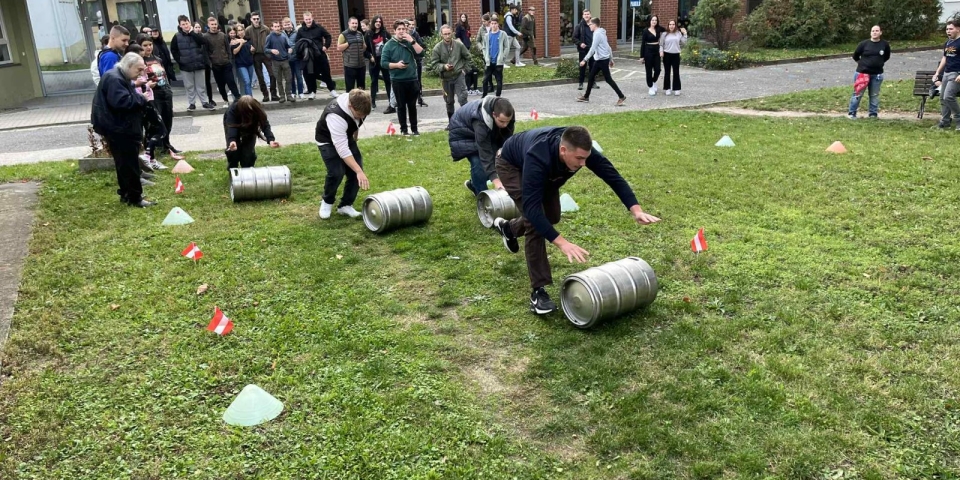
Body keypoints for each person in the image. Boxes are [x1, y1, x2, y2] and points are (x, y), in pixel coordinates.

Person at [491, 126, 661, 314]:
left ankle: (510, 229)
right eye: (579, 159)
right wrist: (562, 243)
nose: (583, 164)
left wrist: (636, 210)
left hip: (546, 173)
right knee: (535, 223)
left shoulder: (583, 151)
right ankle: (538, 292)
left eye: (586, 158)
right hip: (511, 165)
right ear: (563, 150)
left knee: (552, 216)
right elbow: (531, 208)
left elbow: (612, 176)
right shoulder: (538, 155)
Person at [91, 52, 155, 207]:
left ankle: (126, 193)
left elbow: (123, 93)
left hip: (115, 126)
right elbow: (122, 102)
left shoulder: (117, 76)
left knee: (123, 163)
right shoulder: (115, 78)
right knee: (129, 163)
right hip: (120, 128)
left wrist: (135, 86)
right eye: (139, 70)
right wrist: (143, 98)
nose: (141, 73)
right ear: (128, 65)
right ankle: (135, 197)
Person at [316, 89, 373, 219]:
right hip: (327, 141)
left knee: (355, 172)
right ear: (349, 106)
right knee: (336, 172)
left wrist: (354, 137)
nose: (361, 117)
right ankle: (327, 201)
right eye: (358, 114)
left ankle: (345, 205)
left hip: (346, 137)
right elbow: (342, 149)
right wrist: (359, 171)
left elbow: (356, 123)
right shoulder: (335, 115)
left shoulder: (362, 104)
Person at [448, 96, 514, 196]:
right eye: (501, 121)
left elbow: (507, 139)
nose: (505, 125)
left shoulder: (507, 114)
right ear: (493, 115)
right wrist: (497, 182)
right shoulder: (479, 122)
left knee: (497, 157)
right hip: (464, 134)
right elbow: (485, 153)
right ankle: (483, 197)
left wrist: (502, 149)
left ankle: (474, 183)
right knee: (479, 162)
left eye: (507, 122)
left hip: (483, 132)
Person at [139, 35, 183, 161]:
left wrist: (168, 89)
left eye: (150, 45)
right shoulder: (140, 61)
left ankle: (166, 145)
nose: (148, 48)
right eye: (145, 45)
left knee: (168, 119)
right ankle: (152, 148)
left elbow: (164, 75)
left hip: (165, 91)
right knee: (157, 122)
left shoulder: (157, 59)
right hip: (153, 94)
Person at [381, 19, 424, 136]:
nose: (401, 31)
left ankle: (415, 129)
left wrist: (412, 41)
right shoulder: (389, 45)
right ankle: (404, 130)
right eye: (399, 29)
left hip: (412, 78)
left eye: (403, 29)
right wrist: (396, 65)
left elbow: (421, 53)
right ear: (394, 31)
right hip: (398, 80)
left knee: (412, 106)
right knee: (401, 106)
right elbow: (383, 63)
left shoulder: (410, 41)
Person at [577, 18, 626, 106]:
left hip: (602, 60)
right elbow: (608, 47)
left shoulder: (597, 34)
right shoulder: (602, 33)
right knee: (591, 77)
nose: (589, 26)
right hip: (600, 60)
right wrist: (611, 59)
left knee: (608, 79)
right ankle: (586, 96)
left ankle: (621, 96)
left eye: (590, 24)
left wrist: (584, 60)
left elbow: (592, 49)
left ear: (595, 25)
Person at [428, 24, 470, 125]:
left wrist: (465, 69)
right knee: (449, 101)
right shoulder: (437, 48)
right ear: (441, 35)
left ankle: (467, 122)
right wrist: (444, 67)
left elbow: (468, 57)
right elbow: (434, 64)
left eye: (449, 33)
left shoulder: (459, 45)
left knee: (462, 99)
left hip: (458, 75)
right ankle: (451, 123)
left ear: (452, 33)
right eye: (445, 34)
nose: (447, 36)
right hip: (446, 78)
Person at [847, 25, 891, 120]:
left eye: (877, 31)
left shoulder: (884, 44)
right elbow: (855, 56)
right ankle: (852, 113)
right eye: (873, 31)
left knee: (874, 95)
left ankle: (873, 114)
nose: (874, 32)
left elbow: (886, 56)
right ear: (870, 32)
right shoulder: (863, 44)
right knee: (857, 94)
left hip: (877, 75)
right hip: (862, 74)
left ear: (880, 32)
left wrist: (878, 63)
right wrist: (862, 64)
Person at [224, 96, 280, 169]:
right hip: (234, 124)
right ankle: (233, 168)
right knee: (233, 150)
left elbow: (265, 125)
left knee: (248, 152)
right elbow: (231, 128)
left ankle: (248, 170)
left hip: (251, 127)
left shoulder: (258, 110)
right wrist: (232, 140)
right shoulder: (232, 111)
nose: (249, 113)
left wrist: (271, 140)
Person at [171, 15, 213, 111]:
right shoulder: (177, 36)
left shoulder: (197, 33)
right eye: (183, 24)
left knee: (201, 85)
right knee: (189, 86)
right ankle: (192, 103)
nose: (185, 26)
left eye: (187, 23)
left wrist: (193, 33)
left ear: (190, 23)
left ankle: (204, 102)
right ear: (180, 25)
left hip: (199, 63)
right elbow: (174, 50)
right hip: (185, 65)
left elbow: (203, 42)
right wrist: (180, 60)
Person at [297, 12, 338, 99]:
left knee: (326, 72)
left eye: (309, 19)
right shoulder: (301, 30)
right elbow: (297, 42)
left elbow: (328, 36)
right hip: (308, 56)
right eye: (306, 19)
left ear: (312, 18)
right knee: (309, 74)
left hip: (320, 54)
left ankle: (332, 90)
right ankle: (312, 92)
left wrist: (326, 46)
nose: (308, 21)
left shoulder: (319, 28)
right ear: (304, 20)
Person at [204, 17, 241, 105]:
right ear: (208, 25)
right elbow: (205, 51)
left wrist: (229, 60)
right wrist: (210, 63)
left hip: (226, 63)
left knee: (231, 81)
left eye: (215, 24)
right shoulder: (205, 37)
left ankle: (238, 99)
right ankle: (225, 99)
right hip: (215, 65)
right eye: (212, 24)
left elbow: (228, 48)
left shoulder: (223, 35)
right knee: (221, 85)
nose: (214, 26)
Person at [244, 12, 278, 102]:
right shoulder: (248, 30)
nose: (256, 20)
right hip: (255, 55)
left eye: (257, 18)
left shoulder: (265, 28)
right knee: (260, 76)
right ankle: (265, 94)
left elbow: (270, 40)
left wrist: (270, 50)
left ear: (259, 19)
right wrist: (250, 48)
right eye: (254, 19)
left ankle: (273, 94)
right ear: (251, 19)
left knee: (272, 74)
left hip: (266, 54)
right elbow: (246, 41)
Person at [934, 20, 960, 129]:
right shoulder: (948, 42)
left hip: (956, 74)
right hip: (946, 73)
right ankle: (945, 122)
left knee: (948, 96)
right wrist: (937, 72)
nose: (948, 31)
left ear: (958, 29)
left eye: (951, 29)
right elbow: (945, 58)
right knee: (942, 98)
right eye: (947, 29)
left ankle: (959, 119)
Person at [365, 15, 392, 112]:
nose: (378, 23)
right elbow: (365, 50)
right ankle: (372, 101)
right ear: (373, 23)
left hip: (384, 60)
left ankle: (391, 101)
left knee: (387, 80)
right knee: (374, 81)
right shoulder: (368, 34)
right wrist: (370, 56)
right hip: (374, 61)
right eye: (376, 21)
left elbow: (392, 42)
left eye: (380, 21)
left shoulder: (384, 33)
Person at [265, 20, 294, 103]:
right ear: (272, 28)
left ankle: (289, 95)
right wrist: (271, 51)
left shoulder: (283, 36)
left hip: (285, 60)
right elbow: (265, 49)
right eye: (275, 27)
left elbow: (287, 46)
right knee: (279, 80)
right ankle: (282, 96)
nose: (277, 28)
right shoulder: (269, 37)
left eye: (278, 26)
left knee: (289, 78)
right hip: (275, 61)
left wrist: (289, 50)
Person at [481, 17, 509, 98]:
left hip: (498, 61)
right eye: (492, 24)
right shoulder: (487, 35)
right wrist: (485, 56)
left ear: (498, 24)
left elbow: (506, 47)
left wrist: (503, 57)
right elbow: (484, 47)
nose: (493, 25)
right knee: (485, 80)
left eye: (495, 23)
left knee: (499, 80)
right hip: (489, 61)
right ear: (490, 24)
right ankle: (484, 96)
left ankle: (498, 96)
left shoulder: (502, 34)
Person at [337, 17, 367, 91]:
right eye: (353, 23)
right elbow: (339, 48)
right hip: (350, 66)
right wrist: (349, 43)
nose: (354, 25)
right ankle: (350, 102)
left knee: (361, 89)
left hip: (361, 65)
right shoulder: (343, 35)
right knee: (350, 89)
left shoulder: (360, 34)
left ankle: (361, 102)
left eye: (356, 23)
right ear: (349, 24)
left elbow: (364, 47)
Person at [659, 20, 687, 96]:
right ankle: (667, 88)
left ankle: (677, 88)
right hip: (667, 54)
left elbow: (684, 42)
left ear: (675, 25)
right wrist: (661, 51)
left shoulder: (678, 34)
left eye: (673, 24)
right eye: (670, 24)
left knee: (676, 72)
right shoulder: (664, 34)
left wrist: (685, 34)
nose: (671, 26)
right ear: (668, 25)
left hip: (676, 55)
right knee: (667, 72)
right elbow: (661, 44)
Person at [406, 18, 429, 107]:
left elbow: (422, 45)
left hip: (417, 60)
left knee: (418, 80)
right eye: (410, 25)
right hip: (409, 62)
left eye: (413, 25)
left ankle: (420, 98)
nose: (411, 26)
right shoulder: (405, 36)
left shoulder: (416, 34)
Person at [282, 17, 305, 100]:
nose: (287, 26)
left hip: (296, 58)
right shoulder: (281, 34)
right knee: (290, 77)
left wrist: (293, 48)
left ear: (291, 25)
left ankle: (301, 92)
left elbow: (299, 43)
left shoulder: (296, 33)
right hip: (287, 59)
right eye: (285, 24)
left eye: (289, 24)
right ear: (283, 26)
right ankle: (293, 92)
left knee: (299, 76)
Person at [641, 15, 664, 96]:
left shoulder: (658, 29)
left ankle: (654, 81)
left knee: (658, 69)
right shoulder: (645, 31)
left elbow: (668, 30)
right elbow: (643, 44)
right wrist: (642, 56)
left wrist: (678, 30)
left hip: (656, 50)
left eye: (655, 20)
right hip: (648, 51)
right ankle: (650, 87)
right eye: (653, 20)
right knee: (649, 70)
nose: (654, 21)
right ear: (650, 21)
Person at [573, 10, 594, 90]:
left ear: (590, 15)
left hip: (592, 50)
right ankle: (581, 83)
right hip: (583, 50)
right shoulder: (579, 26)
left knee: (593, 67)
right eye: (585, 14)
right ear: (582, 16)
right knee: (582, 67)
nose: (586, 15)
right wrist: (580, 43)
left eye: (588, 14)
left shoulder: (593, 25)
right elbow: (574, 38)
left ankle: (592, 82)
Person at [233, 25, 256, 96]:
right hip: (241, 64)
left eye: (241, 30)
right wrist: (241, 44)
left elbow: (252, 51)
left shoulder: (248, 39)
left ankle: (247, 97)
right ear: (236, 32)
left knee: (249, 82)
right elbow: (234, 52)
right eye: (238, 31)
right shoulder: (234, 41)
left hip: (249, 63)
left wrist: (253, 50)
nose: (240, 32)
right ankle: (249, 99)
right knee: (247, 81)